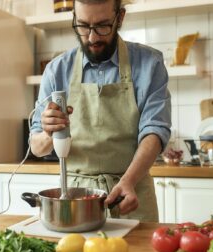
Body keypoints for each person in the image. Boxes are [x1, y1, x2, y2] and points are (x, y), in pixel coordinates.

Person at [30, 0, 171, 222]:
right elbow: (37, 148)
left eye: (103, 26)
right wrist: (49, 132)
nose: (93, 37)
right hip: (75, 200)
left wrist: (129, 181)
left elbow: (155, 130)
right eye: (83, 26)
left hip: (132, 195)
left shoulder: (149, 64)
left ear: (120, 18)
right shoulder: (56, 70)